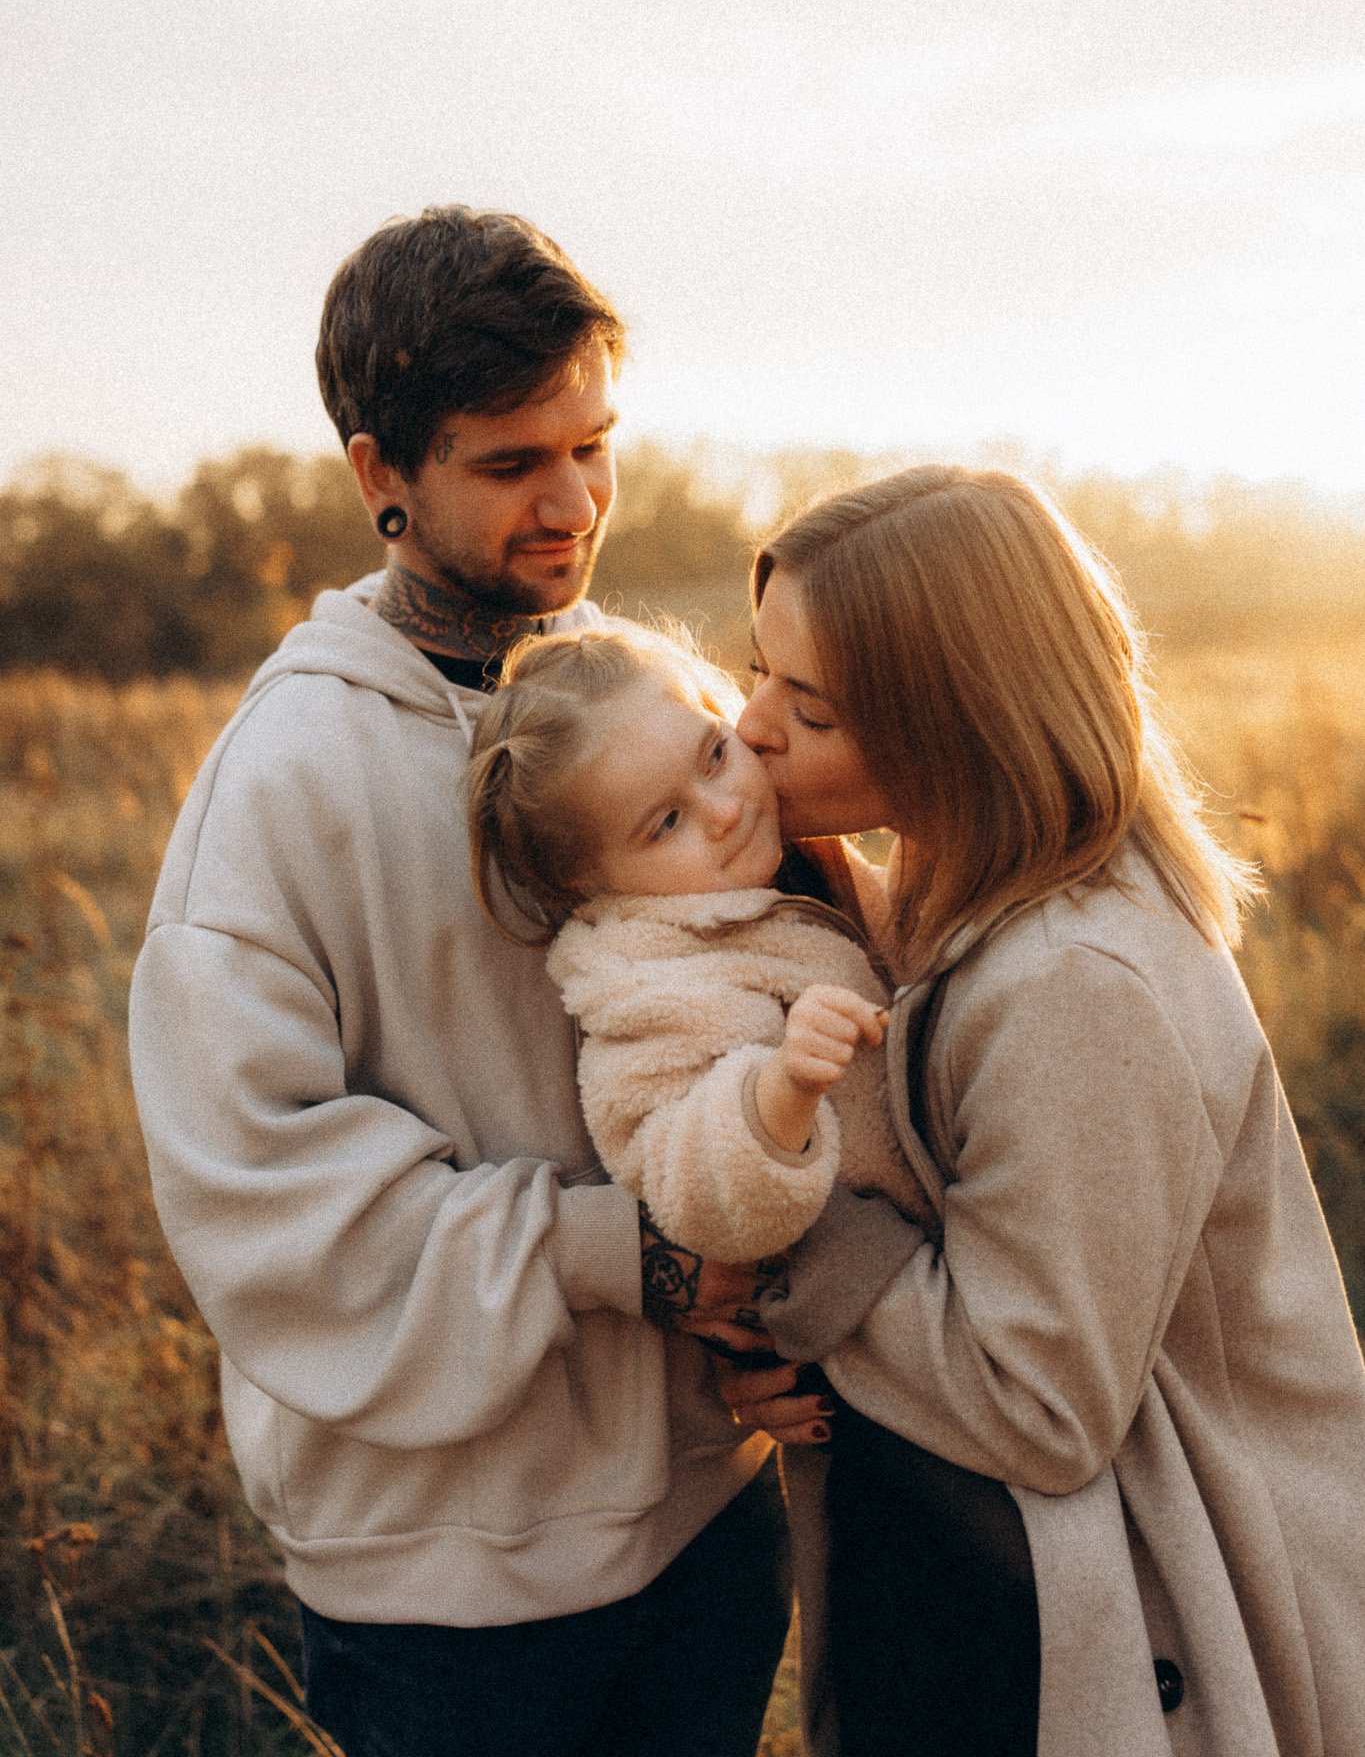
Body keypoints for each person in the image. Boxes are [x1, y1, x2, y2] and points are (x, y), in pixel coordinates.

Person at [128, 205, 792, 1757]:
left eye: (593, 445)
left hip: (711, 1518)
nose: (573, 503)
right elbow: (260, 1188)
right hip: (449, 1597)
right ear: (382, 475)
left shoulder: (636, 690)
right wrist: (611, 1255)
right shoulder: (282, 785)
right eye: (511, 464)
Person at [720, 465, 1365, 1757]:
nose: (749, 729)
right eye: (757, 673)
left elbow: (1041, 1404)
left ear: (956, 725)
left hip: (1119, 1629)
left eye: (813, 708)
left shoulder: (1072, 982)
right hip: (1017, 1589)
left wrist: (800, 1248)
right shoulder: (992, 895)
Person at [465, 620, 934, 1267]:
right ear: (588, 878)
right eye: (665, 823)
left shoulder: (801, 866)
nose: (723, 811)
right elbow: (694, 1196)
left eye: (713, 755)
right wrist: (781, 1089)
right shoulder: (647, 988)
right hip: (853, 1314)